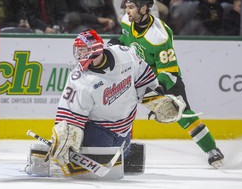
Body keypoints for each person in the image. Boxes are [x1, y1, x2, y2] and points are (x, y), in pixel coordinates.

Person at [25, 29, 170, 177]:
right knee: (94, 165)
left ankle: (125, 151)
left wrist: (156, 98)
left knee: (119, 160)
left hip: (125, 128)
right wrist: (65, 136)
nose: (78, 54)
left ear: (95, 49)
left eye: (82, 50)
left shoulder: (125, 55)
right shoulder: (79, 80)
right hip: (98, 129)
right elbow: (69, 116)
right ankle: (60, 162)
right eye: (78, 50)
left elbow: (143, 78)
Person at [110, 0, 224, 168]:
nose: (127, 11)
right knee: (121, 108)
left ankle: (212, 150)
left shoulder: (159, 36)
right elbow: (126, 40)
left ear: (144, 9)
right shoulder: (127, 21)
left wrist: (158, 90)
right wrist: (116, 43)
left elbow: (168, 71)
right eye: (127, 7)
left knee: (183, 115)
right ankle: (119, 150)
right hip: (139, 74)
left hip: (165, 79)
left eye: (131, 7)